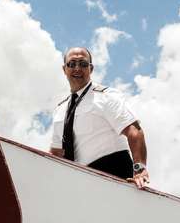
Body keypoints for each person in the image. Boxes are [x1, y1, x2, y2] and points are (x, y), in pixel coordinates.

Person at [50, 47, 150, 189]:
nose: (77, 68)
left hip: (115, 172)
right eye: (72, 64)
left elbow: (134, 130)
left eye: (83, 64)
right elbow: (56, 153)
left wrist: (139, 170)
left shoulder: (106, 96)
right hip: (80, 181)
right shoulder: (60, 109)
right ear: (64, 69)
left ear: (91, 68)